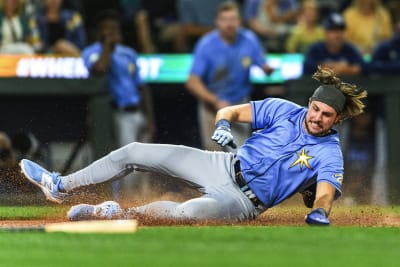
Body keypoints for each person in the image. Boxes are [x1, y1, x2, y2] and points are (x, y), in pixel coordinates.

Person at [19, 66, 367, 226]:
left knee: (187, 213)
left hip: (242, 200)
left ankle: (114, 215)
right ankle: (60, 186)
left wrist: (320, 211)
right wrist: (222, 125)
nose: (318, 117)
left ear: (337, 120)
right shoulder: (284, 110)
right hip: (222, 165)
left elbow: (325, 192)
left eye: (327, 115)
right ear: (310, 103)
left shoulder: (329, 152)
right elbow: (228, 109)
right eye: (316, 109)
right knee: (135, 150)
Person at [80, 9, 155, 198]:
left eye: (115, 29)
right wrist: (107, 45)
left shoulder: (128, 53)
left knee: (146, 162)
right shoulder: (92, 52)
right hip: (116, 114)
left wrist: (149, 117)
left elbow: (142, 87)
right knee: (127, 160)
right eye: (108, 29)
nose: (113, 33)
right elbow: (99, 69)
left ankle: (142, 201)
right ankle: (126, 202)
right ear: (99, 32)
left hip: (137, 112)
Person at [186, 1, 274, 152]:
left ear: (239, 21)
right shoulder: (206, 45)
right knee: (213, 155)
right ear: (217, 22)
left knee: (239, 153)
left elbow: (261, 63)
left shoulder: (249, 39)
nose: (229, 24)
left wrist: (266, 68)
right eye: (224, 20)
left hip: (239, 104)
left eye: (233, 19)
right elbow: (192, 82)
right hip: (212, 106)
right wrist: (216, 101)